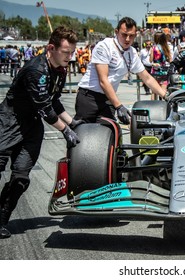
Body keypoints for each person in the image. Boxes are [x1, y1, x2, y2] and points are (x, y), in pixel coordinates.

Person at [0, 26, 82, 239]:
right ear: (51, 48)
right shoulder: (36, 69)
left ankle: (1, 219)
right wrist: (66, 131)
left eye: (72, 52)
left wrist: (73, 123)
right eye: (66, 52)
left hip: (32, 126)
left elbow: (54, 100)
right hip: (9, 122)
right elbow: (45, 107)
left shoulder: (61, 70)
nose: (70, 57)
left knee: (20, 178)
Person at [74, 17, 167, 124]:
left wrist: (165, 95)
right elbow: (103, 81)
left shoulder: (132, 52)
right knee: (84, 134)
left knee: (111, 133)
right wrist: (119, 106)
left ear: (135, 35)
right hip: (89, 97)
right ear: (116, 32)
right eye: (124, 35)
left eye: (131, 36)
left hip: (108, 98)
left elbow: (147, 78)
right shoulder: (104, 46)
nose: (127, 39)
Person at [150, 30, 172, 101]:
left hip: (155, 71)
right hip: (164, 71)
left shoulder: (153, 48)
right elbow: (170, 60)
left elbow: (150, 60)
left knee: (154, 91)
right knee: (163, 90)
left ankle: (153, 106)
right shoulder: (166, 47)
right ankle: (164, 106)